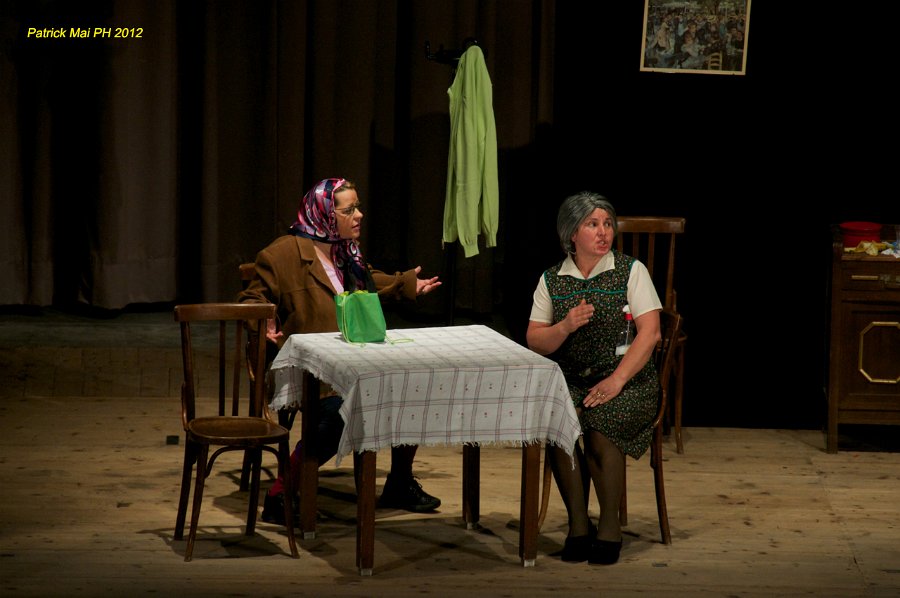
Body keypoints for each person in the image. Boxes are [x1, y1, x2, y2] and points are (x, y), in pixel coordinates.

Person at [239, 177, 443, 525]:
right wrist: (264, 320)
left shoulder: (346, 252)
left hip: (354, 360)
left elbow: (369, 281)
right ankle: (280, 494)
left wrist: (407, 283)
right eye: (349, 210)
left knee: (411, 385)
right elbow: (250, 299)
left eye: (357, 207)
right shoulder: (281, 255)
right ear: (324, 214)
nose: (359, 215)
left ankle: (399, 481)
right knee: (343, 409)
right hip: (308, 370)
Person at [526, 192, 662, 565]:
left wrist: (617, 380)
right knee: (561, 424)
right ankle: (578, 525)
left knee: (601, 425)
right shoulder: (552, 279)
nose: (603, 232)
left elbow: (651, 333)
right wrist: (565, 326)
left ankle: (610, 527)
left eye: (607, 224)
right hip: (573, 382)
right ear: (572, 233)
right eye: (592, 224)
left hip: (628, 381)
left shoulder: (630, 271)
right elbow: (535, 339)